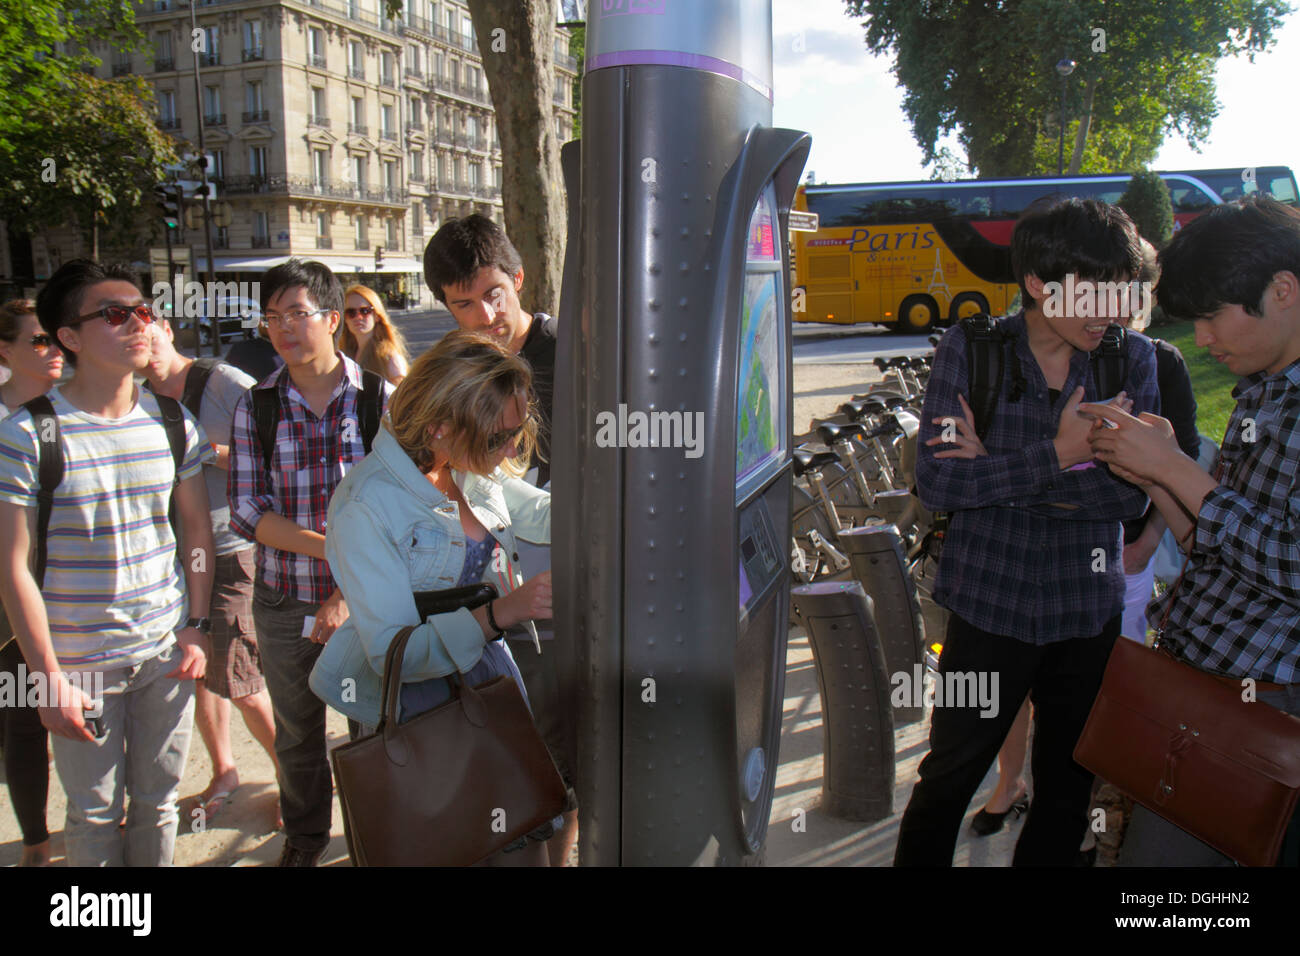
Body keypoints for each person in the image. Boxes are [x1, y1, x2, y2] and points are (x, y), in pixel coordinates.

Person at [893, 197, 1159, 867]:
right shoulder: (972, 350)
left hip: (1086, 612)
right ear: (1040, 283)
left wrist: (1003, 475)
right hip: (987, 608)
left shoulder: (1132, 363)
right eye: (1099, 292)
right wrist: (1063, 453)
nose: (1117, 311)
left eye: (1125, 292)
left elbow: (1127, 497)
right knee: (947, 778)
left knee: (1068, 790)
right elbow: (941, 485)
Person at [1086, 195, 1300, 866]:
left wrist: (1181, 470)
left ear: (1283, 290)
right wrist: (1158, 477)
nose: (1203, 340)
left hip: (1261, 714)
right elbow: (1222, 546)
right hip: (1203, 691)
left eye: (1212, 316)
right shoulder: (1265, 389)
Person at [310, 330, 554, 866]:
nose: (513, 450)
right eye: (499, 438)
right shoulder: (365, 507)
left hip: (483, 679)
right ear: (440, 425)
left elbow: (540, 510)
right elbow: (398, 652)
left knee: (519, 835)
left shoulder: (462, 464)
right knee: (446, 843)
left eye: (520, 430)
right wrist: (502, 612)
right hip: (413, 703)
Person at [0, 260, 213, 867]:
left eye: (143, 311)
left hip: (163, 651)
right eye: (115, 315)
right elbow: (13, 567)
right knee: (92, 814)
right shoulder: (27, 434)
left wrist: (197, 623)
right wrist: (44, 676)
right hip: (79, 665)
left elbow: (196, 530)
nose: (139, 324)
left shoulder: (172, 421)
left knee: (158, 801)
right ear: (69, 337)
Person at [226, 258, 392, 867]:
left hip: (367, 602)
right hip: (281, 598)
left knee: (370, 731)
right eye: (272, 318)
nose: (283, 329)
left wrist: (347, 588)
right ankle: (304, 842)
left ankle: (375, 840)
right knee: (297, 735)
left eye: (297, 314)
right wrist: (332, 551)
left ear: (330, 317)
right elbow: (246, 511)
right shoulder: (257, 407)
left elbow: (404, 509)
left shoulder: (380, 401)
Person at [423, 214, 573, 864]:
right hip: (490, 607)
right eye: (464, 303)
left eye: (494, 294)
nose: (485, 313)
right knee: (507, 759)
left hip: (563, 592)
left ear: (518, 279)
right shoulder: (459, 371)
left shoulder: (573, 356)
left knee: (559, 756)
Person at [143, 314, 280, 825]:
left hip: (231, 548)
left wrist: (204, 451)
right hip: (176, 555)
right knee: (198, 668)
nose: (142, 343)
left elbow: (273, 447)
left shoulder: (221, 382)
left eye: (146, 326)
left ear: (164, 326)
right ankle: (224, 769)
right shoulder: (138, 396)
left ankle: (293, 774)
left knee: (240, 677)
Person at [0, 298, 63, 866]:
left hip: (77, 596)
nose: (52, 350)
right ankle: (37, 841)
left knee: (89, 715)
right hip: (11, 603)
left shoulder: (67, 412)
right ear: (5, 350)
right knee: (22, 723)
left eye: (54, 339)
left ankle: (99, 818)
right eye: (38, 340)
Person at [339, 284, 410, 386]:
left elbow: (402, 397)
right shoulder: (344, 355)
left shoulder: (388, 357)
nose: (358, 317)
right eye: (351, 312)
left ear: (377, 316)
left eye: (365, 311)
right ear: (345, 319)